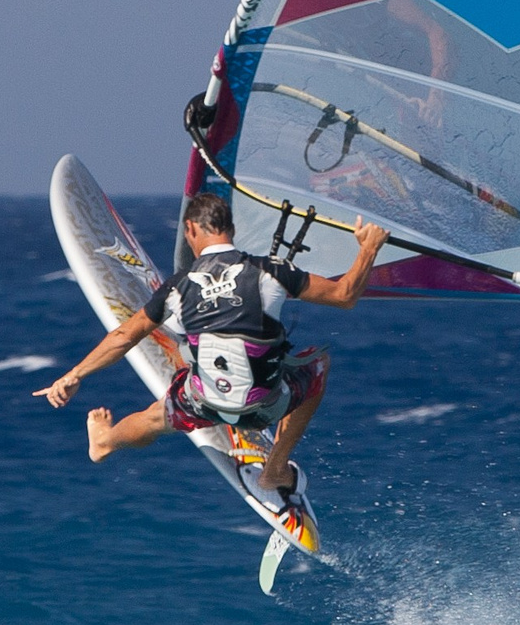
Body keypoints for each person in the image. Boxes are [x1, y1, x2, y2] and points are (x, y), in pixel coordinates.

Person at [34, 193, 386, 508]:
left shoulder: (178, 287)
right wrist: (368, 249)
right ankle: (275, 471)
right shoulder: (272, 272)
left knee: (158, 416)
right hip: (265, 407)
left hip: (204, 403)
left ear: (190, 230)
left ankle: (106, 442)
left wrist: (74, 374)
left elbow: (124, 336)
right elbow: (345, 296)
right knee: (317, 364)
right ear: (232, 228)